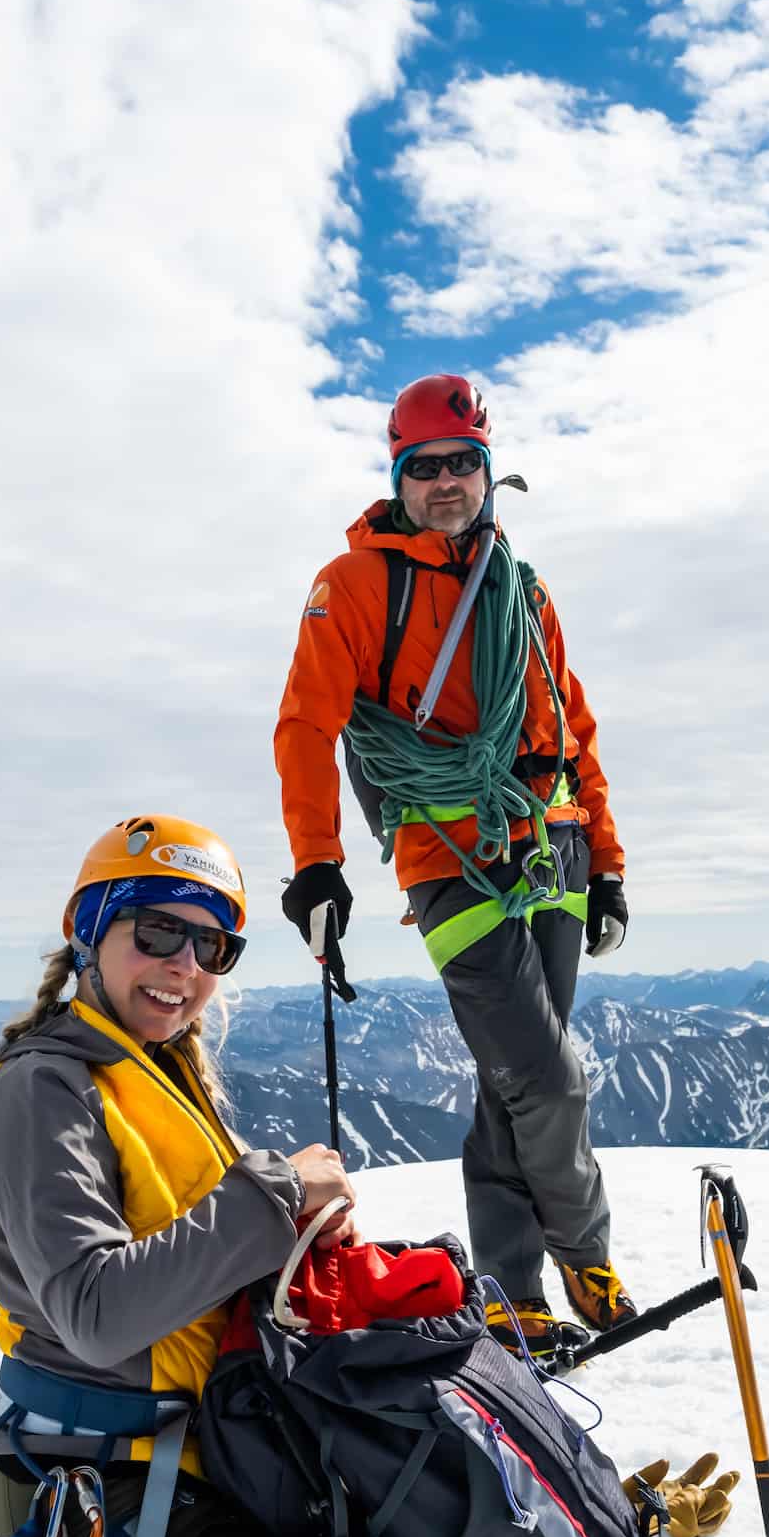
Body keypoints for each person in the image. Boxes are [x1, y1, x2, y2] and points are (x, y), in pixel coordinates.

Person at [0, 813, 428, 1537]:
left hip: (213, 1442)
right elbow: (94, 1306)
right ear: (91, 927)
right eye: (156, 930)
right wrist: (270, 1197)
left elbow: (185, 1255)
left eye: (211, 943)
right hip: (106, 1481)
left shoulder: (151, 1069)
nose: (184, 962)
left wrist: (291, 1232)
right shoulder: (42, 1089)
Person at [275, 372, 633, 1355]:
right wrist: (317, 862)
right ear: (397, 475)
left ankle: (511, 1288)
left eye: (461, 463)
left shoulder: (523, 587)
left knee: (508, 1077)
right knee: (547, 1077)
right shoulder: (351, 585)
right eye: (423, 466)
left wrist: (603, 860)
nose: (444, 482)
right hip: (446, 854)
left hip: (548, 837)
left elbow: (569, 722)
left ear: (486, 470)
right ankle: (584, 1255)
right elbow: (307, 724)